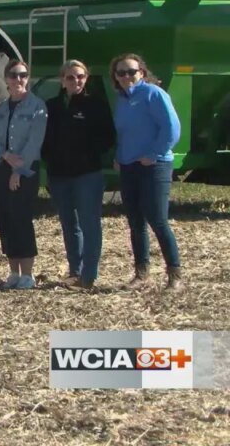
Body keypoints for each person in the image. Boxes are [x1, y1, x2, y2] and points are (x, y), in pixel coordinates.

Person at [111, 53, 183, 290]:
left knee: (158, 220)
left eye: (131, 71)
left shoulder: (154, 94)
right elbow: (126, 133)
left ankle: (175, 275)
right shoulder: (121, 100)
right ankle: (141, 274)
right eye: (121, 73)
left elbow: (172, 129)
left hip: (155, 166)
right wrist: (119, 157)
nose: (126, 77)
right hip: (129, 166)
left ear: (142, 72)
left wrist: (154, 154)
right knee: (136, 222)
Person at [41, 60, 115, 288]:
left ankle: (89, 275)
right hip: (59, 175)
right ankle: (75, 270)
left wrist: (88, 151)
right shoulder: (51, 106)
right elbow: (42, 138)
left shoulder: (96, 105)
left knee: (89, 223)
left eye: (80, 76)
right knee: (68, 224)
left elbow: (108, 138)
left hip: (87, 175)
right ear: (62, 80)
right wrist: (50, 157)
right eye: (71, 77)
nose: (76, 81)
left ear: (86, 78)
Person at [0, 60, 47, 289]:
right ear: (6, 79)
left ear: (27, 78)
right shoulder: (1, 108)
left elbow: (34, 141)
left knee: (21, 219)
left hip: (25, 169)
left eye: (22, 75)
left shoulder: (37, 106)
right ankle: (13, 272)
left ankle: (28, 274)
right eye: (13, 75)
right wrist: (3, 155)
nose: (18, 79)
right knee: (5, 218)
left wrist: (18, 171)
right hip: (1, 168)